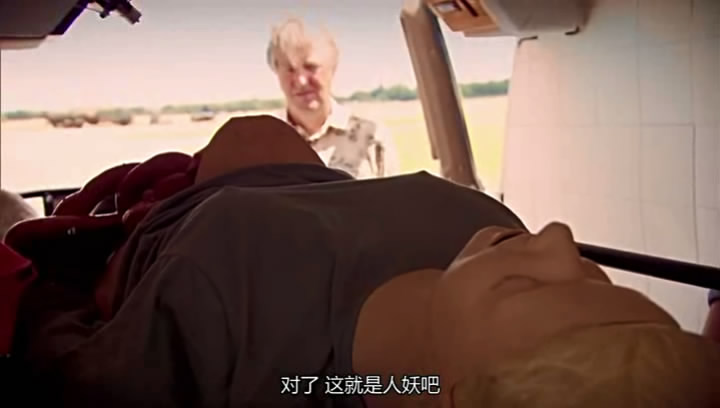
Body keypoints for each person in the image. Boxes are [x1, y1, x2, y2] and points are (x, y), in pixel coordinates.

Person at [9, 116, 720, 407]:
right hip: (307, 194)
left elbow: (71, 365)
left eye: (528, 287)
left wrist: (58, 270)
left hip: (191, 217)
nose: (558, 240)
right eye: (595, 275)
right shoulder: (482, 226)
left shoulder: (229, 292)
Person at [266, 18, 398, 179]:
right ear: (277, 72)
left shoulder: (372, 137)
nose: (301, 81)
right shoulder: (261, 142)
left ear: (332, 68)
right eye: (290, 69)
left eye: (311, 67)